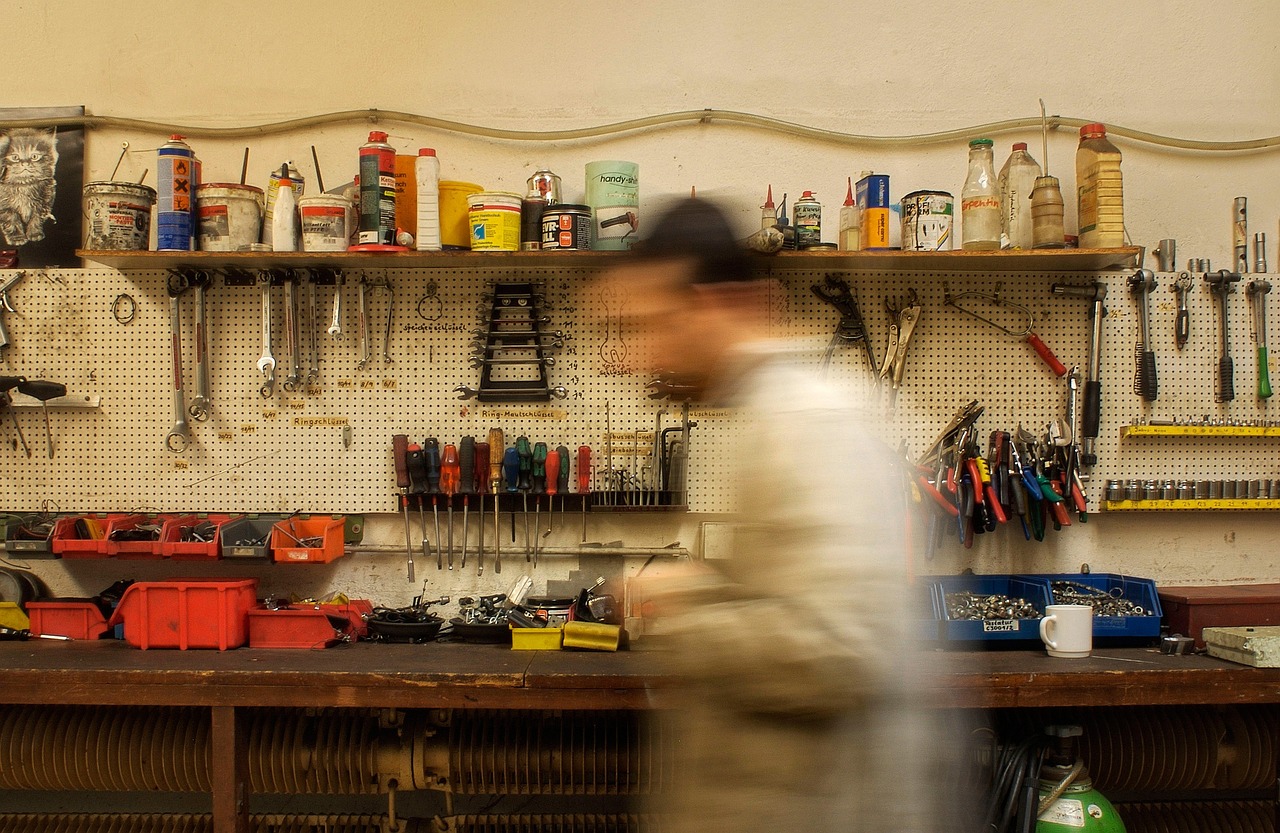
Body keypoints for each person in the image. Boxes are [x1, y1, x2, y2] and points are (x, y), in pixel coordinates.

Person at [600, 198, 946, 832]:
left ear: (711, 305)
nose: (640, 356)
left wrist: (688, 609)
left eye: (653, 323)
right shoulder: (773, 414)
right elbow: (797, 599)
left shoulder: (808, 419)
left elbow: (841, 648)